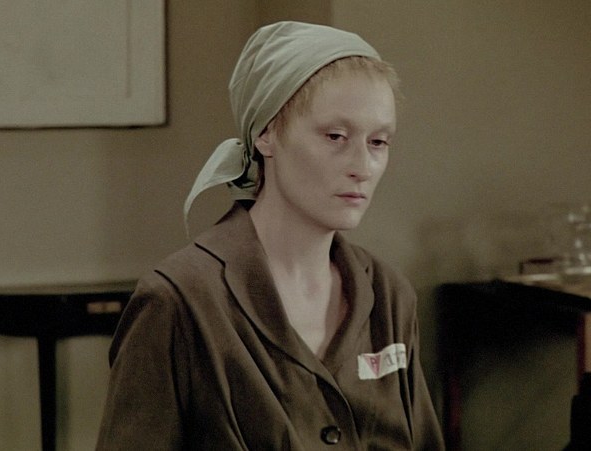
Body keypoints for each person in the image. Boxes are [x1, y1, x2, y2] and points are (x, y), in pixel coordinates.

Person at [97, 21, 445, 450]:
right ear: (267, 133)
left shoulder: (390, 296)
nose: (363, 167)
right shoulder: (179, 302)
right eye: (335, 136)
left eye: (378, 142)